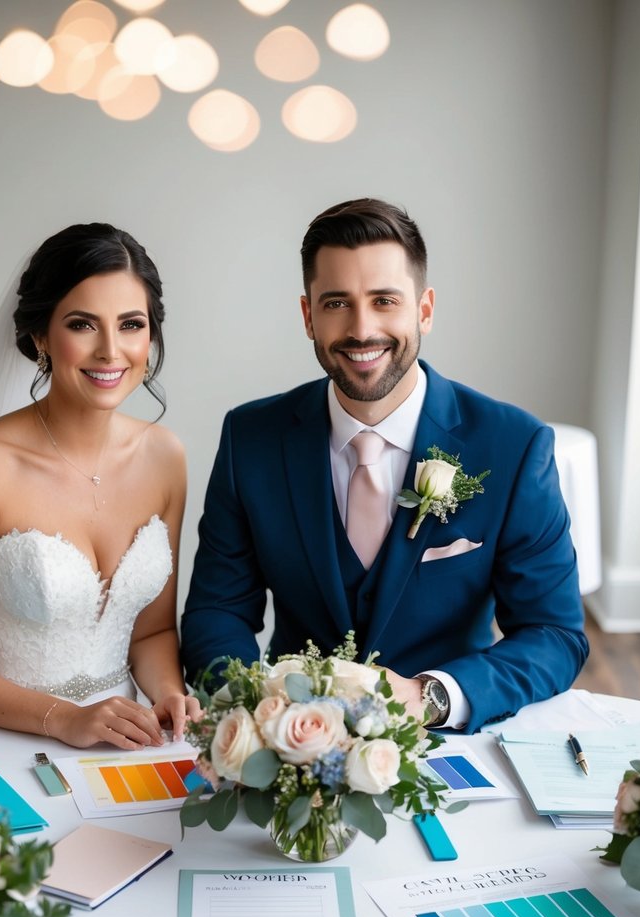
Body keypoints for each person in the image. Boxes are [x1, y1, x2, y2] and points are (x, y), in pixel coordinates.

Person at [181, 198, 588, 733]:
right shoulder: (251, 439)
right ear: (308, 316)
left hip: (448, 748)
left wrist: (432, 697)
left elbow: (553, 634)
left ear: (424, 309)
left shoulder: (514, 446)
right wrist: (257, 705)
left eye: (384, 300)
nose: (361, 329)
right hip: (290, 749)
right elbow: (217, 612)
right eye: (336, 304)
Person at [0, 222, 199, 749]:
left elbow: (150, 632)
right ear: (40, 336)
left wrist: (169, 692)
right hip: (2, 737)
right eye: (82, 324)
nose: (110, 350)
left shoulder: (165, 456)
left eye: (131, 324)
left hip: (123, 740)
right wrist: (64, 718)